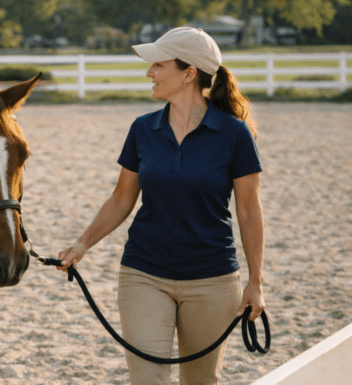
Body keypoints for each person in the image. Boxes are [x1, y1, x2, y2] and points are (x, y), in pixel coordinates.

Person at [57, 27, 265, 385]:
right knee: (148, 379)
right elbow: (122, 197)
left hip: (212, 280)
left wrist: (256, 282)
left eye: (159, 65)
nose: (149, 72)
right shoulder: (143, 129)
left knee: (200, 381)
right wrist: (83, 243)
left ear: (189, 73)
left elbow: (248, 210)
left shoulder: (234, 135)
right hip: (144, 274)